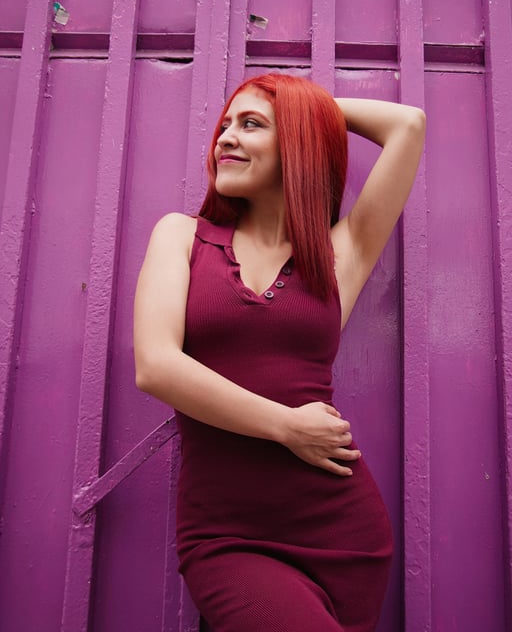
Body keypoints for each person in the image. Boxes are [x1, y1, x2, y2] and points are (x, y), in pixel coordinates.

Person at [134, 73, 426, 632]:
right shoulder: (182, 236)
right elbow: (157, 366)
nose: (225, 137)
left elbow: (407, 125)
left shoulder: (342, 252)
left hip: (342, 532)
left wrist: (304, 113)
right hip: (228, 535)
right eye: (224, 125)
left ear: (294, 141)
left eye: (250, 125)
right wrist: (287, 426)